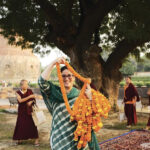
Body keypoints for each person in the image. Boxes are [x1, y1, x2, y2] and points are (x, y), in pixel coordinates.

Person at [38, 57, 100, 150]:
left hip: (78, 140)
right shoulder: (54, 93)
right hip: (59, 139)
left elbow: (92, 117)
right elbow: (41, 82)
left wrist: (91, 99)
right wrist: (53, 63)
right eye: (63, 76)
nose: (66, 78)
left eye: (70, 75)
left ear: (74, 78)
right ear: (59, 77)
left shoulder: (82, 96)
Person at [13, 80, 39, 146]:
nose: (26, 86)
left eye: (27, 84)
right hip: (22, 111)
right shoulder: (18, 92)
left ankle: (36, 140)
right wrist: (30, 97)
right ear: (21, 85)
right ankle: (19, 139)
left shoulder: (30, 91)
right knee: (20, 125)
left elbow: (34, 99)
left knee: (33, 125)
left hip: (29, 111)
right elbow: (20, 100)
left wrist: (31, 101)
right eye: (25, 84)